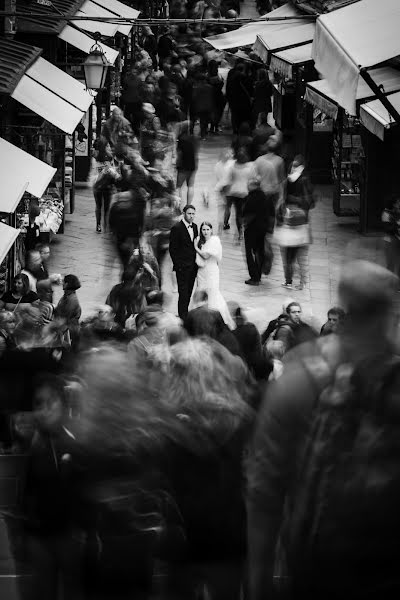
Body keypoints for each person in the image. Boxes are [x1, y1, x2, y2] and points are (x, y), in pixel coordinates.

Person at [247, 261, 400, 600]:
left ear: (344, 307)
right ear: (391, 312)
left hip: (320, 564)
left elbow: (266, 486)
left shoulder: (301, 375)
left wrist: (259, 572)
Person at [277, 155, 315, 290]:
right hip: (298, 223)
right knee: (296, 256)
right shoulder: (295, 181)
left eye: (295, 166)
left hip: (294, 223)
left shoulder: (291, 181)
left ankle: (293, 281)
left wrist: (291, 202)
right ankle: (297, 281)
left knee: (291, 255)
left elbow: (284, 200)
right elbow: (310, 202)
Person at [194, 222, 235, 329]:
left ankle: (216, 318)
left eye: (207, 229)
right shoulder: (200, 240)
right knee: (201, 291)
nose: (205, 232)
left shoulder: (215, 241)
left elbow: (206, 256)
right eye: (203, 229)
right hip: (202, 271)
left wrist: (195, 247)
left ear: (211, 230)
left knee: (213, 292)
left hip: (211, 270)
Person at [243, 177, 275, 286]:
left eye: (249, 184)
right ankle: (259, 274)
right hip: (263, 230)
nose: (247, 186)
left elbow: (246, 214)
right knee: (260, 252)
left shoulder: (250, 198)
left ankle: (254, 277)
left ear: (253, 186)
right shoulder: (266, 197)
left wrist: (243, 225)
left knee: (249, 253)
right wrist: (270, 230)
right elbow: (272, 214)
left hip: (251, 229)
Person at [169, 205, 198, 320]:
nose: (191, 216)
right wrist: (178, 265)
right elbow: (173, 249)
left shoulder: (195, 227)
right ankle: (182, 316)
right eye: (189, 213)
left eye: (193, 214)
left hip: (193, 267)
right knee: (183, 293)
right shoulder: (177, 228)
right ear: (184, 213)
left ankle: (185, 313)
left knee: (189, 292)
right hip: (182, 267)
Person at [224, 147, 255, 241]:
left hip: (235, 192)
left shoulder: (232, 166)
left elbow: (229, 179)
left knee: (238, 213)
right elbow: (253, 179)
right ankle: (247, 229)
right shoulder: (250, 166)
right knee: (247, 212)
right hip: (247, 192)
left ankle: (240, 233)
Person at [91, 137, 119, 233]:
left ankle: (106, 225)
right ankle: (98, 224)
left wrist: (114, 173)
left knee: (107, 207)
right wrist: (104, 171)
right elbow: (94, 177)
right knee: (99, 206)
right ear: (103, 147)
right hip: (98, 187)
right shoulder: (95, 160)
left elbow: (114, 171)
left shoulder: (111, 158)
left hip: (108, 186)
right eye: (107, 146)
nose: (109, 147)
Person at [54, 275, 82, 350]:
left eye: (64, 282)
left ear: (67, 284)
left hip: (70, 331)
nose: (62, 284)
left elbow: (65, 318)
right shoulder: (66, 296)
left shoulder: (72, 299)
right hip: (65, 328)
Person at [176, 121, 198, 206]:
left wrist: (177, 164)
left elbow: (179, 153)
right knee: (191, 186)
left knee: (178, 187)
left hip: (183, 166)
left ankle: (178, 206)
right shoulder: (193, 138)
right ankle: (188, 205)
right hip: (192, 165)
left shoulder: (181, 138)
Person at [381, 195, 400, 277]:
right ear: (393, 204)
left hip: (397, 239)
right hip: (390, 241)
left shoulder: (397, 212)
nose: (399, 204)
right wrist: (397, 224)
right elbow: (387, 228)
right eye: (398, 202)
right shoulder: (386, 213)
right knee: (391, 263)